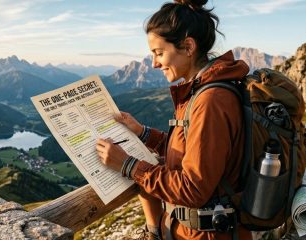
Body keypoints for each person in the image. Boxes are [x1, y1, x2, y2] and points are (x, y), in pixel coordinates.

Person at [95, 0, 251, 239]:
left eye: (159, 53)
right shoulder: (202, 91)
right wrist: (143, 133)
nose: (155, 63)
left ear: (188, 46)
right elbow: (193, 149)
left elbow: (193, 188)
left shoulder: (211, 100)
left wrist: (128, 165)